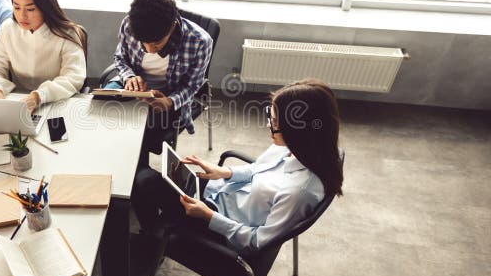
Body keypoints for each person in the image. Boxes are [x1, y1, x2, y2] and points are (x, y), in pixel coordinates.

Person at [131, 79, 343, 253]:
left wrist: (208, 216)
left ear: (299, 130)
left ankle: (154, 240)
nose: (269, 124)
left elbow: (257, 242)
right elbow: (256, 170)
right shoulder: (300, 148)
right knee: (165, 177)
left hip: (220, 222)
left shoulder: (299, 192)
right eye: (271, 116)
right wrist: (224, 172)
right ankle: (156, 230)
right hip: (221, 193)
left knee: (142, 180)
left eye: (275, 122)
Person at [107, 0, 212, 162]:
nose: (149, 50)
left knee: (140, 134)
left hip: (167, 96)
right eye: (143, 43)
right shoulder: (129, 24)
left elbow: (193, 86)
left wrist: (170, 102)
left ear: (172, 27)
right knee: (102, 114)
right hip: (131, 88)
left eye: (156, 44)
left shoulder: (200, 42)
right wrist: (129, 76)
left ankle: (137, 174)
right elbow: (120, 57)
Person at [0, 0, 86, 112]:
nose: (22, 15)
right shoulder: (7, 29)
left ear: (45, 7)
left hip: (56, 103)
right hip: (18, 102)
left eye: (30, 9)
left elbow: (73, 78)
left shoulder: (67, 33)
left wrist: (37, 97)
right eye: (16, 7)